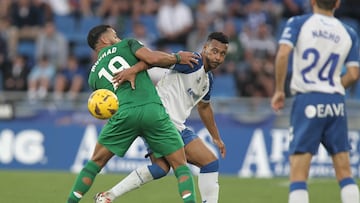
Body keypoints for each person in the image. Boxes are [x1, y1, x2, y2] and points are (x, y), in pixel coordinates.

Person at [66, 24, 200, 203]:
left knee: (94, 164)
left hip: (122, 116)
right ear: (105, 39)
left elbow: (106, 103)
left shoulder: (93, 76)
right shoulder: (127, 44)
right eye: (114, 34)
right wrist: (177, 57)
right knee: (180, 167)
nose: (118, 37)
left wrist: (135, 70)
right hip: (152, 111)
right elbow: (152, 58)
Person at [95, 32, 228, 203]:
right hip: (163, 119)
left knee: (160, 168)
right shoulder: (193, 62)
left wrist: (216, 137)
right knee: (210, 163)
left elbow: (204, 107)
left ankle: (107, 197)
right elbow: (155, 61)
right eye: (214, 51)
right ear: (205, 48)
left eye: (222, 54)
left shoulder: (207, 79)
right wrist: (133, 70)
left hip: (162, 121)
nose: (217, 57)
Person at [271, 0, 360, 203]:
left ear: (312, 1)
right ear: (337, 3)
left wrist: (278, 91)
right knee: (345, 172)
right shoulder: (349, 32)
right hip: (336, 102)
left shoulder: (298, 23)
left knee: (299, 173)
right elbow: (354, 73)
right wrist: (334, 87)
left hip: (308, 99)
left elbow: (283, 53)